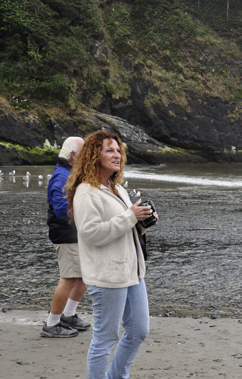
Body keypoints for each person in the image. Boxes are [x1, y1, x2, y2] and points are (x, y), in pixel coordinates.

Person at [65, 130, 157, 379]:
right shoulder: (87, 192)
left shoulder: (116, 189)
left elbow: (125, 227)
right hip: (107, 276)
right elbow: (91, 234)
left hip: (132, 272)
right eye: (109, 150)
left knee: (138, 331)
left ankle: (117, 376)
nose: (117, 155)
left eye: (118, 150)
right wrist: (130, 216)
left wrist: (143, 221)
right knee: (105, 338)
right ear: (94, 155)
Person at [42, 136, 90, 338]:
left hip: (72, 233)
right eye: (84, 152)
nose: (88, 156)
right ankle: (52, 324)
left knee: (83, 276)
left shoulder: (70, 173)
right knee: (69, 278)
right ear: (73, 155)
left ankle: (68, 315)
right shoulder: (62, 176)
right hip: (65, 234)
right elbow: (62, 212)